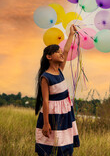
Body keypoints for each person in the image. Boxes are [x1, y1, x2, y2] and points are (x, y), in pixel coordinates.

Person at [35, 24, 80, 156]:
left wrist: (71, 34)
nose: (61, 54)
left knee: (64, 141)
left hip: (64, 111)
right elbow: (45, 101)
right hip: (52, 113)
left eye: (61, 52)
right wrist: (46, 123)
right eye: (57, 52)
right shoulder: (46, 77)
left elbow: (66, 51)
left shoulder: (59, 70)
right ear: (49, 57)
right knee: (50, 144)